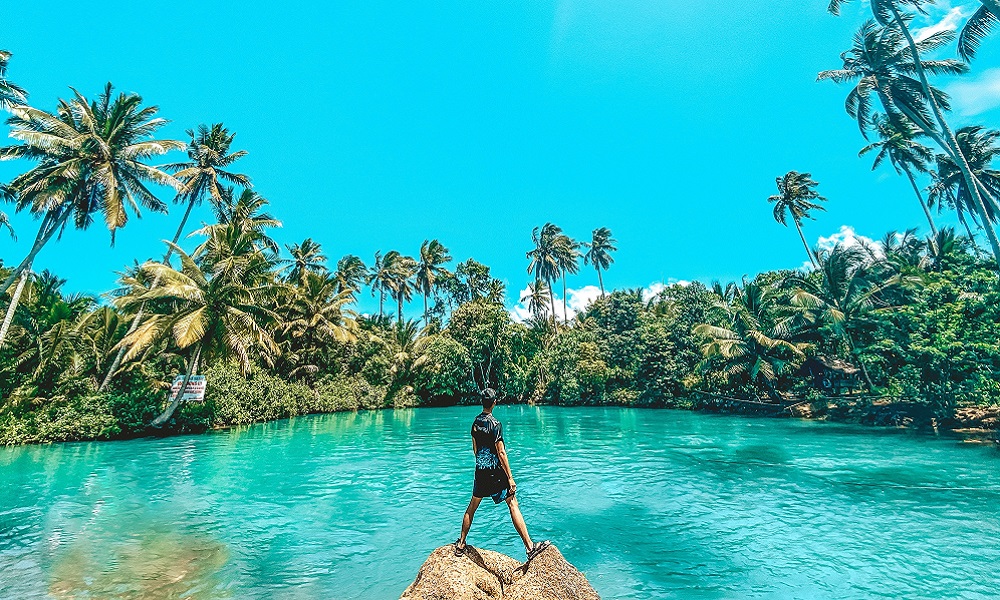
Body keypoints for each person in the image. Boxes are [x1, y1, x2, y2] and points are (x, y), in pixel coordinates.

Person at [454, 388, 550, 560]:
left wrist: (482, 464)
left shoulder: (475, 423)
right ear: (494, 403)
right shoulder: (495, 424)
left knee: (472, 506)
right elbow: (501, 453)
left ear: (482, 403)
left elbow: (475, 449)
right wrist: (510, 478)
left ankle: (461, 544)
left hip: (481, 471)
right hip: (496, 473)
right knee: (512, 503)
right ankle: (530, 547)